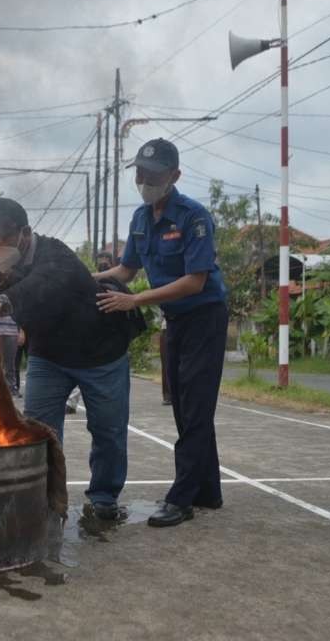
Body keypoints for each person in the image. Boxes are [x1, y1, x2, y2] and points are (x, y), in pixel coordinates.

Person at [97, 138, 228, 529]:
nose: (144, 180)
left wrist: (135, 302)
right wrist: (83, 278)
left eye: (152, 175)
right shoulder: (140, 219)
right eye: (139, 173)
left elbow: (195, 280)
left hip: (205, 317)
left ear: (174, 176)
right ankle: (208, 491)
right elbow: (124, 271)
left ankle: (182, 498)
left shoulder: (193, 217)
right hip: (176, 322)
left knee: (196, 405)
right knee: (184, 403)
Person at [0, 198, 132, 520]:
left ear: (24, 232)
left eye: (2, 241)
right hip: (48, 355)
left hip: (99, 354)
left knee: (107, 431)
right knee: (38, 429)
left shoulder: (57, 255)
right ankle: (44, 498)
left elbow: (40, 287)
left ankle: (104, 499)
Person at [0, 314, 21, 397]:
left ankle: (11, 388)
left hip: (12, 329)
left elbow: (20, 309)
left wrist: (21, 330)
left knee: (10, 362)